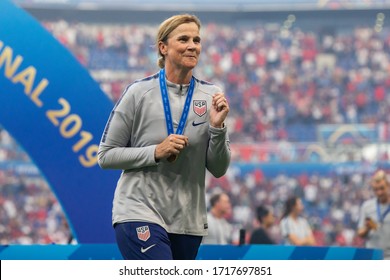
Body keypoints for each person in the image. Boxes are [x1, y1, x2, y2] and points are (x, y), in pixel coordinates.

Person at [97, 14, 230, 260]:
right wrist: (155, 152)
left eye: (197, 40)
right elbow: (106, 156)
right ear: (163, 47)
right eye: (184, 39)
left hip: (187, 220)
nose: (193, 45)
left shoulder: (212, 96)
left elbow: (219, 169)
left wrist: (217, 128)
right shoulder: (138, 93)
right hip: (139, 210)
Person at [357, 170, 390, 259]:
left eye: (382, 188)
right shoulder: (367, 206)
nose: (379, 192)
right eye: (376, 189)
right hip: (372, 255)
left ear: (388, 186)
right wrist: (368, 227)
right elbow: (360, 233)